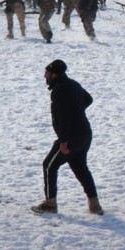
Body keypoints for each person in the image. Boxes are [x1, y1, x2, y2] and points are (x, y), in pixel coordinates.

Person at [32, 60, 100, 216]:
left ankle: (50, 203)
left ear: (54, 74)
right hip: (85, 134)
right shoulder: (73, 84)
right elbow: (88, 99)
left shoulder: (59, 90)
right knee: (80, 167)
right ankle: (95, 204)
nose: (44, 76)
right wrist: (78, 111)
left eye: (47, 73)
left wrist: (63, 141)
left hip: (71, 137)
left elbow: (64, 118)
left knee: (49, 165)